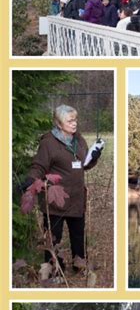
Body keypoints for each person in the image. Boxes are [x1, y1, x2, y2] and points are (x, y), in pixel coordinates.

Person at [23, 105, 100, 272]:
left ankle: (79, 266)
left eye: (75, 120)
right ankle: (54, 269)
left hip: (76, 198)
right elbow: (39, 166)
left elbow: (84, 164)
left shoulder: (78, 139)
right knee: (53, 238)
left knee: (78, 235)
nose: (74, 123)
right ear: (58, 123)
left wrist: (94, 157)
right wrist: (30, 179)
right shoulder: (48, 142)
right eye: (70, 120)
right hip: (55, 200)